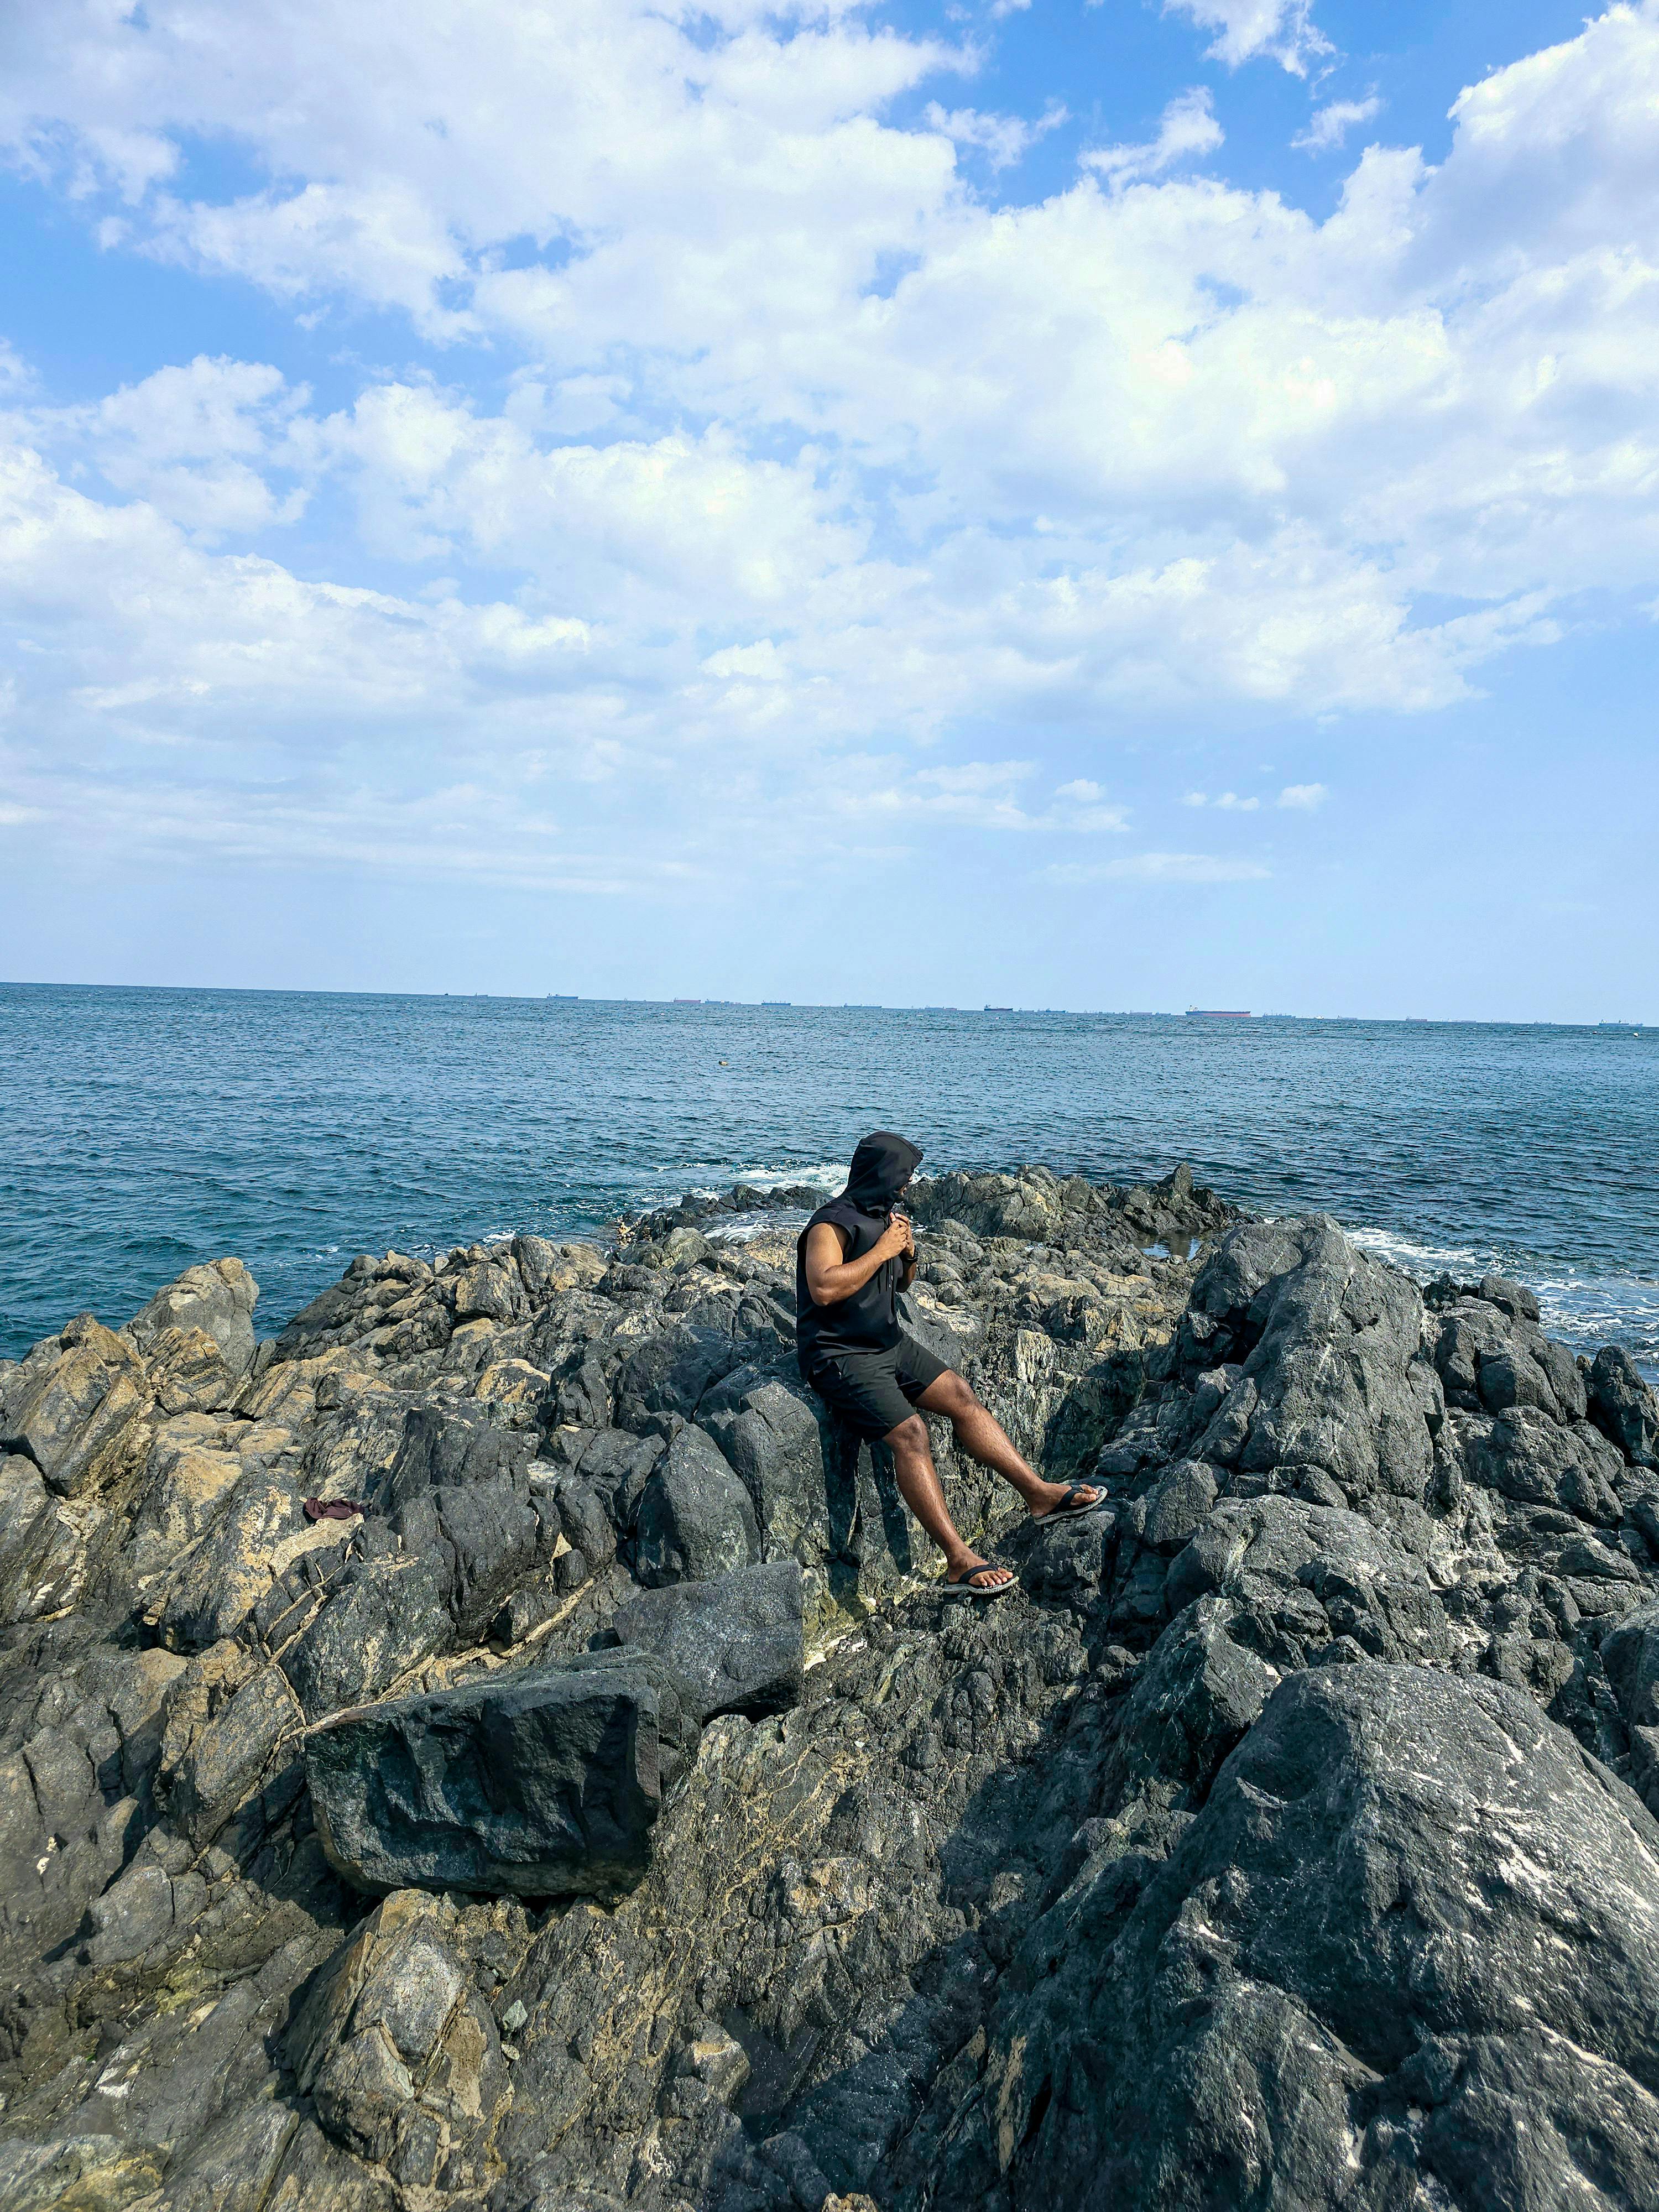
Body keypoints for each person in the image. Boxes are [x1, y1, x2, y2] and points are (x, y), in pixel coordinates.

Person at [795, 1130, 1104, 1599]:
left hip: (886, 1344)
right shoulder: (831, 1225)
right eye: (903, 1177)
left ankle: (1038, 1495)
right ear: (880, 1174)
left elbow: (900, 1286)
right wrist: (882, 1248)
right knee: (911, 1434)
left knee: (960, 1395)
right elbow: (824, 1288)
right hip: (838, 1355)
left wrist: (909, 1252)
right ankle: (958, 1561)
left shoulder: (885, 1220)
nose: (907, 1187)